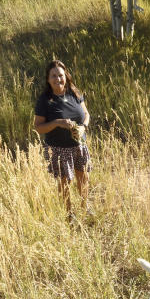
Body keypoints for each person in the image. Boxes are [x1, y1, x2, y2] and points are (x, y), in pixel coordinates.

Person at [33, 59, 91, 218]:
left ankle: (85, 209)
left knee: (83, 177)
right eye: (53, 76)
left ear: (66, 75)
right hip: (58, 148)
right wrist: (58, 123)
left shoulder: (74, 92)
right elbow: (38, 127)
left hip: (79, 145)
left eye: (60, 75)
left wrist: (83, 126)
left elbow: (86, 114)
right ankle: (69, 214)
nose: (58, 79)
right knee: (64, 182)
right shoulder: (44, 100)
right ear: (48, 79)